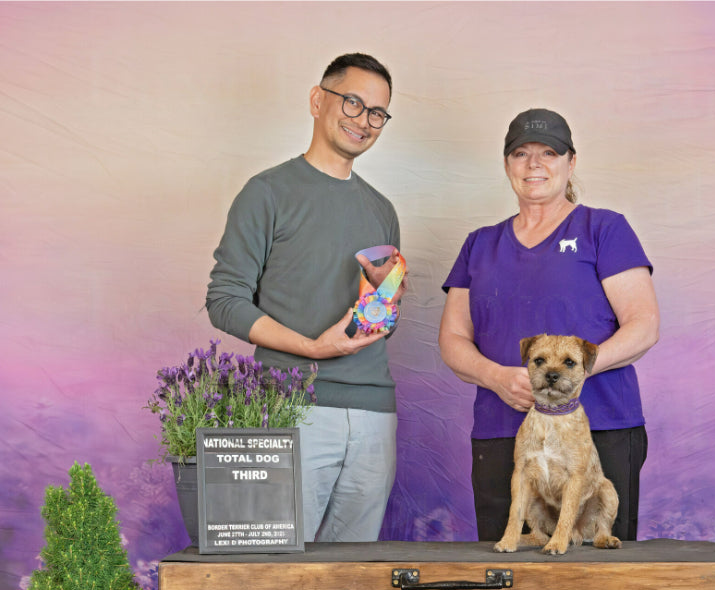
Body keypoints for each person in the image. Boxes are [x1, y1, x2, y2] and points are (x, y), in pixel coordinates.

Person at [206, 52, 405, 543]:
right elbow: (225, 299)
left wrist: (386, 301)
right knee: (276, 571)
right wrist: (314, 349)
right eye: (353, 103)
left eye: (377, 113)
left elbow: (379, 318)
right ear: (319, 100)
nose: (364, 121)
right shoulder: (267, 192)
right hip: (292, 407)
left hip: (375, 414)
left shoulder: (382, 209)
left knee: (350, 581)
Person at [439, 108, 659, 543]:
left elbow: (644, 325)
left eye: (549, 153)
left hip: (601, 428)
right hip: (505, 431)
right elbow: (453, 339)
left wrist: (575, 374)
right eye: (520, 153)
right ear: (507, 165)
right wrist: (498, 377)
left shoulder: (604, 229)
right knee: (508, 581)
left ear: (570, 162)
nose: (534, 164)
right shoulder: (479, 245)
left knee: (599, 580)